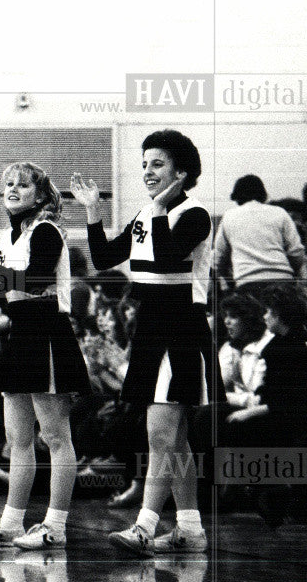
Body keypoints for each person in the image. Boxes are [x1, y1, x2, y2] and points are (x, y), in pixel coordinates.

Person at [71, 129, 223, 556]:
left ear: (181, 171)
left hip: (183, 329)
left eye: (157, 164)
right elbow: (103, 258)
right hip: (151, 331)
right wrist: (93, 213)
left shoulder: (195, 215)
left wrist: (156, 210)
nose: (148, 172)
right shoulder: (146, 213)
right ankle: (191, 530)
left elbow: (171, 254)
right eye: (144, 165)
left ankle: (144, 525)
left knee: (161, 433)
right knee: (174, 441)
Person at [0, 162, 91, 550]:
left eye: (22, 184)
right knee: (17, 438)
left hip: (48, 331)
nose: (12, 189)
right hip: (19, 336)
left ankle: (55, 525)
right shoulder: (6, 238)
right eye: (7, 184)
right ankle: (12, 521)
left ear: (40, 194)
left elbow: (35, 282)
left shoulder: (46, 231)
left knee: (54, 436)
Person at [213, 174, 307, 298]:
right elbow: (296, 251)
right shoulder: (280, 213)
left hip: (247, 282)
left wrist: (229, 280)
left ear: (236, 197)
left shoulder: (229, 216)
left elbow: (218, 258)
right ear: (263, 194)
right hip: (282, 280)